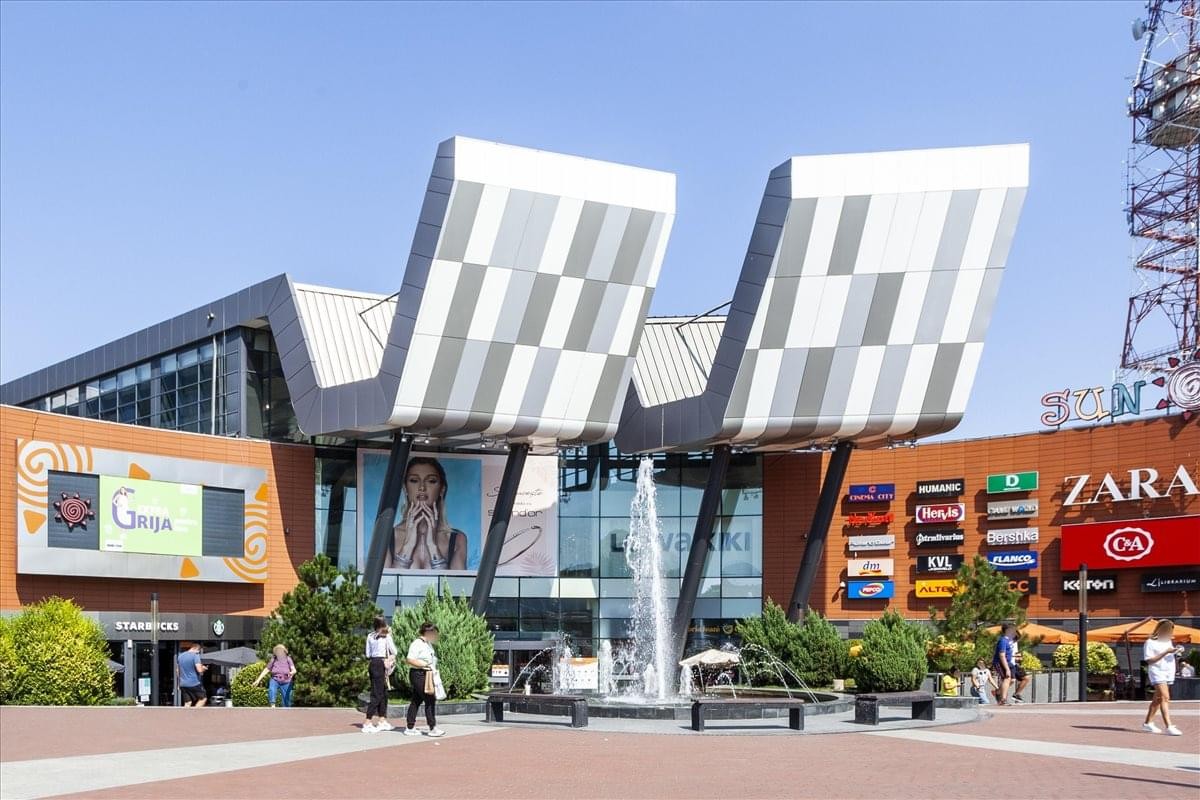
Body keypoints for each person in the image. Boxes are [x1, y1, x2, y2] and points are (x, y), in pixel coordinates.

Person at [385, 458, 468, 571]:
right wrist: (408, 546)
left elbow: (458, 587)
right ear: (405, 488)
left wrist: (433, 547)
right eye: (414, 480)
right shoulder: (387, 536)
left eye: (431, 481)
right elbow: (385, 584)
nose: (422, 488)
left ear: (442, 489)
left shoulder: (457, 538)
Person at [1143, 619, 1184, 735]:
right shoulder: (1150, 642)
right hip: (1157, 671)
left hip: (1168, 671)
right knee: (1165, 697)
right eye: (1167, 630)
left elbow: (1170, 654)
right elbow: (1149, 660)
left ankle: (1148, 723)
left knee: (1158, 699)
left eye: (1170, 630)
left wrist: (1176, 651)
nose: (1169, 632)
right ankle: (1169, 726)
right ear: (1160, 629)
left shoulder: (1168, 641)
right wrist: (1166, 652)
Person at [405, 622, 445, 737]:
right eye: (434, 633)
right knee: (429, 698)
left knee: (416, 700)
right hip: (418, 674)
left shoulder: (428, 644)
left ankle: (410, 727)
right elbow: (409, 659)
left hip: (427, 674)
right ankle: (432, 727)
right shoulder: (417, 643)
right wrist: (423, 665)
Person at [363, 617, 397, 733]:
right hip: (381, 663)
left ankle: (382, 720)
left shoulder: (369, 636)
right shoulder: (386, 636)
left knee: (382, 693)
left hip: (373, 663)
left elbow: (367, 654)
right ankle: (367, 721)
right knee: (378, 694)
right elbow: (394, 651)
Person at [992, 624, 1016, 706]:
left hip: (1008, 662)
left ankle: (998, 691)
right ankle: (1003, 699)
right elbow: (1002, 655)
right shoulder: (1003, 641)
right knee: (1007, 678)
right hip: (1000, 662)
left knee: (1012, 680)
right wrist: (1007, 669)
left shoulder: (1009, 641)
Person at [177, 642, 207, 707]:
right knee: (203, 699)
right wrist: (204, 668)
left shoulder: (180, 656)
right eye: (198, 651)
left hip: (183, 684)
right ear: (196, 649)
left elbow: (177, 671)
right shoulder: (195, 656)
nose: (198, 653)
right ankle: (194, 714)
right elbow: (199, 670)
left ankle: (185, 716)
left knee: (188, 702)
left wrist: (179, 683)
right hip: (194, 683)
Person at [1009, 638, 1030, 704]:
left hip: (1015, 665)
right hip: (1011, 664)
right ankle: (1000, 692)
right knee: (1011, 680)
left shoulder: (1015, 642)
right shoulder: (1006, 641)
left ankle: (1016, 694)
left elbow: (1016, 652)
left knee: (1025, 678)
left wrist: (1018, 657)